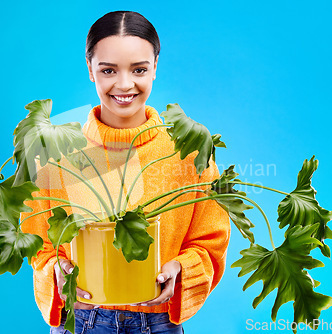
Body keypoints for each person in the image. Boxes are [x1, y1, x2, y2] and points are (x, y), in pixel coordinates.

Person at [20, 10, 230, 334]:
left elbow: (210, 240)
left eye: (139, 69)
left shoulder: (188, 148)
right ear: (90, 69)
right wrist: (55, 270)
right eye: (108, 70)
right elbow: (37, 242)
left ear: (155, 68)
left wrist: (182, 268)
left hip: (159, 321)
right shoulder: (57, 151)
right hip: (81, 320)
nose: (124, 84)